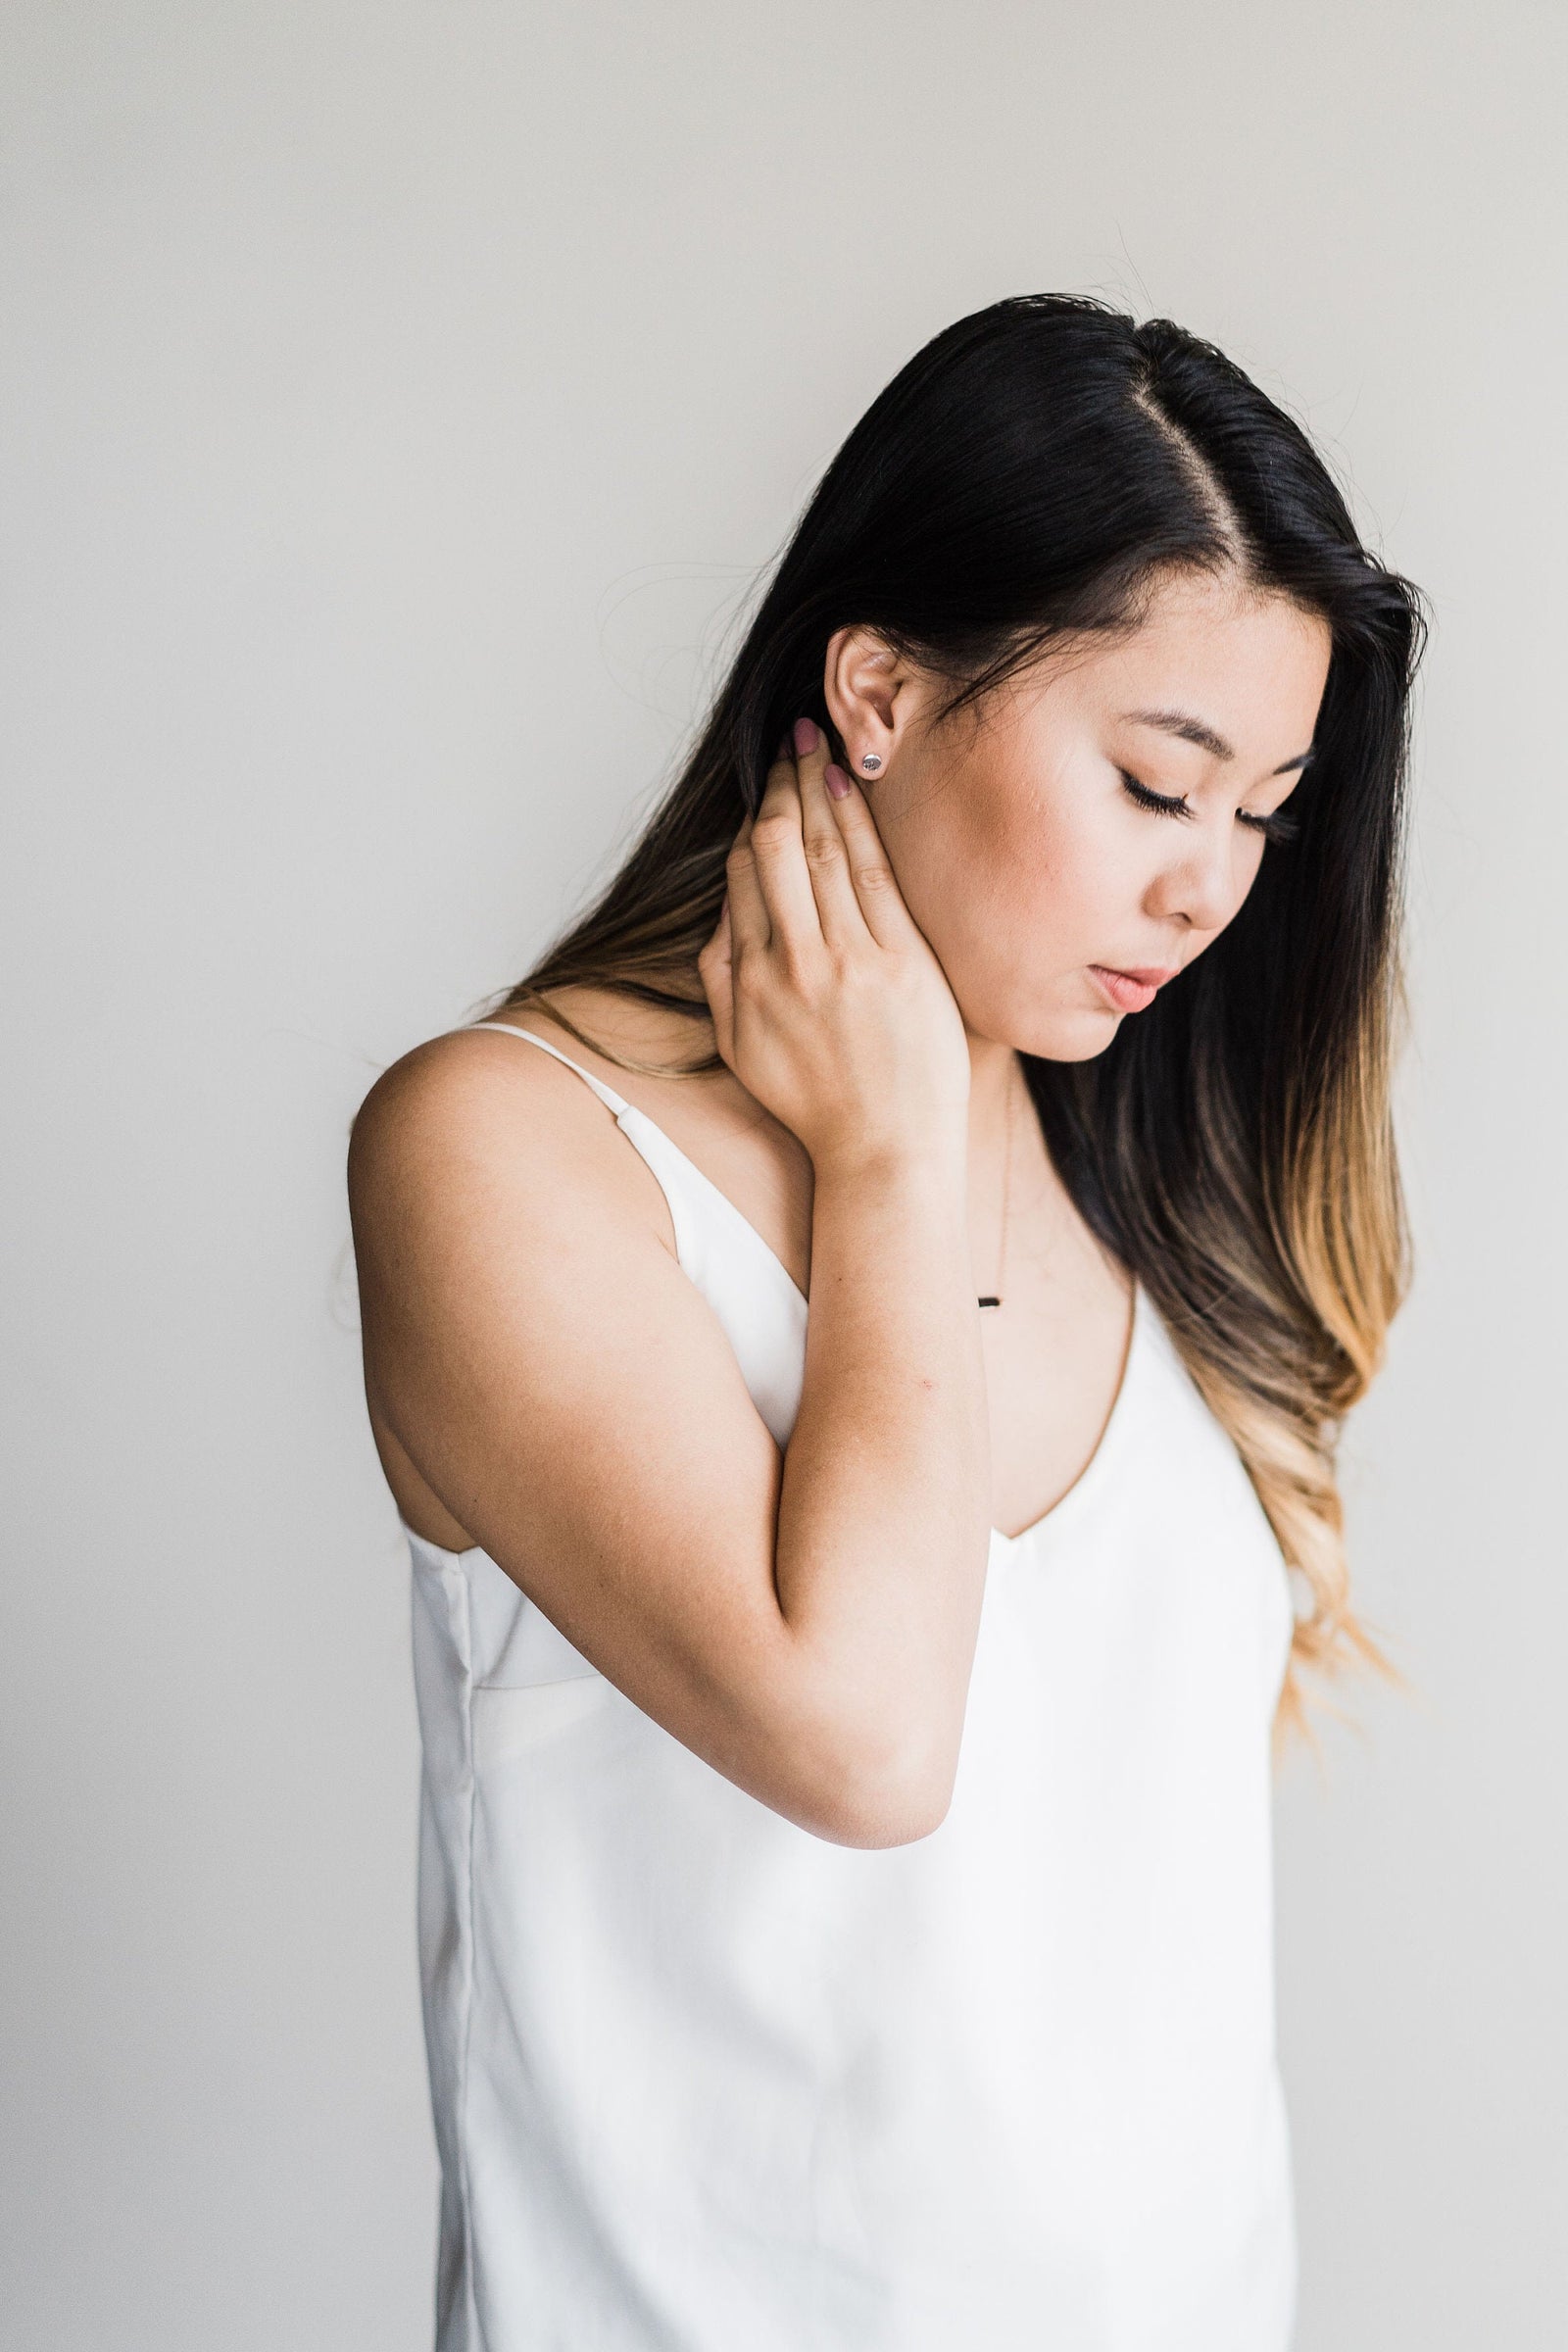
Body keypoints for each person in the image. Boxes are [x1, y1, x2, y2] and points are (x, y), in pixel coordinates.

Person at [346, 292, 1426, 2352]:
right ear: (876, 689)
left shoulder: (1153, 1182)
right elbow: (857, 1739)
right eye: (1150, 779)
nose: (1208, 890)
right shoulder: (505, 1151)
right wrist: (887, 1155)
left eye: (1261, 815)